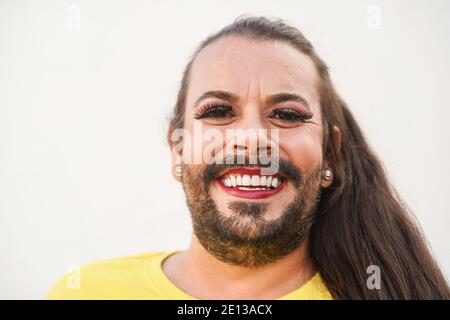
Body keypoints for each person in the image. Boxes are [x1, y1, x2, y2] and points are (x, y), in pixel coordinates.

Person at [46, 16, 450, 300]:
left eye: (288, 115)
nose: (254, 139)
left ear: (330, 152)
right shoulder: (82, 292)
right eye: (218, 111)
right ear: (178, 148)